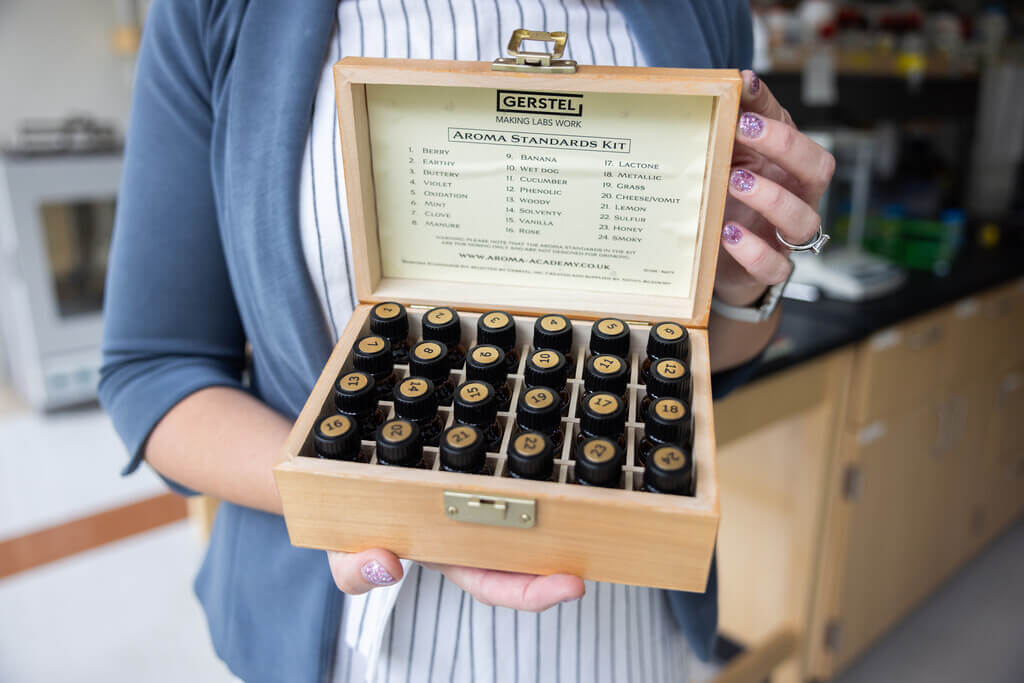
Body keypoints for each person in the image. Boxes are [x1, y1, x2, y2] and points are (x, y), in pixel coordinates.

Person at [99, 1, 834, 682]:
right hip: (342, 637)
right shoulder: (221, 11)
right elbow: (154, 370)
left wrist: (742, 292)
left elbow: (698, 368)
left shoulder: (702, 10)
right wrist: (361, 499)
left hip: (621, 630)